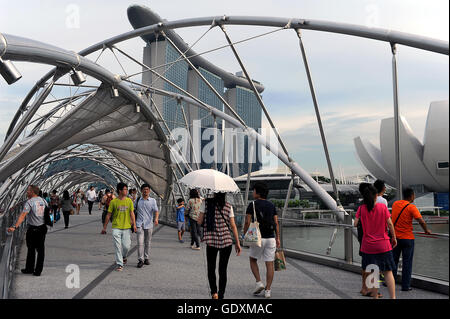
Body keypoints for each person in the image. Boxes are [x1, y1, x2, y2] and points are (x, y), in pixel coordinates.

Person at [354, 185, 397, 299]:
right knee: (388, 272)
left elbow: (355, 223)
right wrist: (394, 238)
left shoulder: (361, 209)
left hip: (368, 246)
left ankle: (375, 297)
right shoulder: (383, 207)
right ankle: (393, 297)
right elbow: (390, 224)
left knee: (372, 273)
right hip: (384, 245)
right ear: (375, 196)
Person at [197, 192, 242, 299]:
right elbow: (233, 226)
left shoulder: (206, 203)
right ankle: (221, 294)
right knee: (223, 269)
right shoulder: (228, 206)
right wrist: (238, 243)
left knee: (211, 268)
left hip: (212, 241)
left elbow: (199, 221)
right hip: (226, 241)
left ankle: (214, 293)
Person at [243, 182, 280, 299]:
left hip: (257, 238)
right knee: (269, 264)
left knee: (253, 260)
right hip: (271, 238)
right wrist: (278, 237)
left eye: (253, 190)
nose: (252, 192)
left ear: (258, 192)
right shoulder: (271, 205)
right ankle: (268, 290)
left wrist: (244, 235)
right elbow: (276, 223)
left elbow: (247, 222)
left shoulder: (252, 204)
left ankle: (259, 282)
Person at [391, 188, 432, 291]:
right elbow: (421, 221)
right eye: (414, 195)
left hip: (395, 238)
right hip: (407, 239)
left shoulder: (395, 204)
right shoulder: (412, 207)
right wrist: (426, 230)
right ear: (411, 196)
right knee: (407, 263)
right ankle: (405, 286)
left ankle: (390, 283)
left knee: (393, 261)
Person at [8, 185, 48, 276]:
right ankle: (38, 271)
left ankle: (29, 268)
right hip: (42, 228)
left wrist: (15, 227)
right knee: (41, 250)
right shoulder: (44, 201)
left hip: (33, 228)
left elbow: (23, 215)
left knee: (31, 248)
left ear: (32, 192)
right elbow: (47, 213)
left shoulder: (29, 202)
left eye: (28, 191)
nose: (27, 192)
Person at [101, 183, 136, 272]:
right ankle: (119, 264)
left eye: (126, 189)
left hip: (126, 227)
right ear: (120, 191)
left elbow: (132, 213)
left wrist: (134, 225)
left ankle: (124, 256)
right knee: (117, 246)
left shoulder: (129, 201)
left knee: (126, 246)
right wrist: (104, 227)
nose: (126, 191)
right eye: (125, 189)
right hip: (116, 227)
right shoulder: (114, 202)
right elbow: (108, 215)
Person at [135, 184, 159, 268]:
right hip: (139, 224)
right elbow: (133, 211)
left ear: (149, 191)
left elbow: (156, 211)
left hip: (149, 224)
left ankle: (146, 258)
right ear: (141, 190)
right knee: (140, 243)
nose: (145, 191)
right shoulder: (138, 200)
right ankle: (140, 260)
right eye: (144, 189)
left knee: (147, 242)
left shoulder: (153, 201)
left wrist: (156, 219)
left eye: (147, 189)